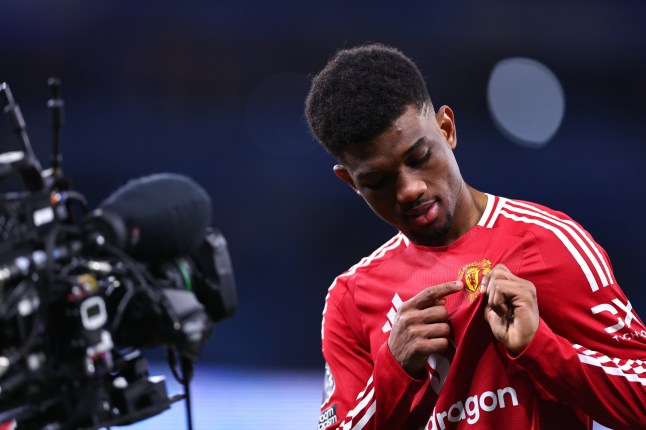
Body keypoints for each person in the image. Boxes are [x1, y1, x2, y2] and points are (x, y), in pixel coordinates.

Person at [304, 43, 646, 430]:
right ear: (350, 182)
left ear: (447, 129)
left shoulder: (549, 242)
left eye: (419, 158)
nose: (409, 190)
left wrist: (542, 349)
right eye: (378, 181)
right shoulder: (350, 298)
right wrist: (395, 370)